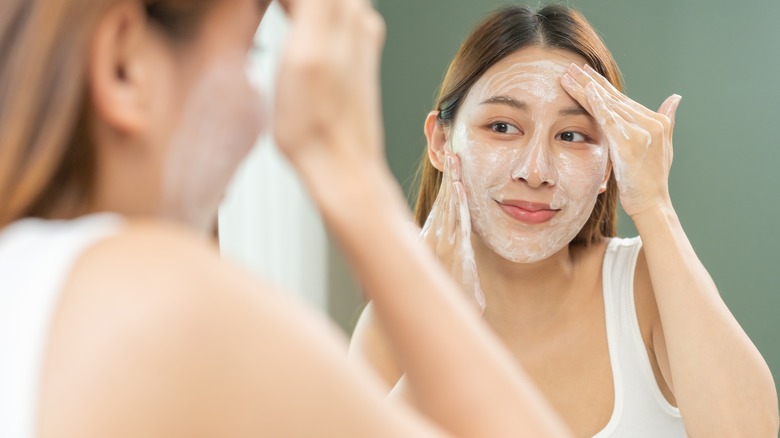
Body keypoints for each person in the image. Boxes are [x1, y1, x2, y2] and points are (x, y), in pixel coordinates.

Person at [0, 0, 576, 436]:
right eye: (246, 56)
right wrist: (351, 172)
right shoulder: (152, 299)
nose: (262, 114)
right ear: (125, 65)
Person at [350, 5, 779, 437]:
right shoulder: (391, 323)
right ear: (442, 142)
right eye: (502, 126)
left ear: (609, 165)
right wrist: (436, 332)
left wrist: (655, 205)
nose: (535, 172)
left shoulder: (643, 289)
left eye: (572, 135)